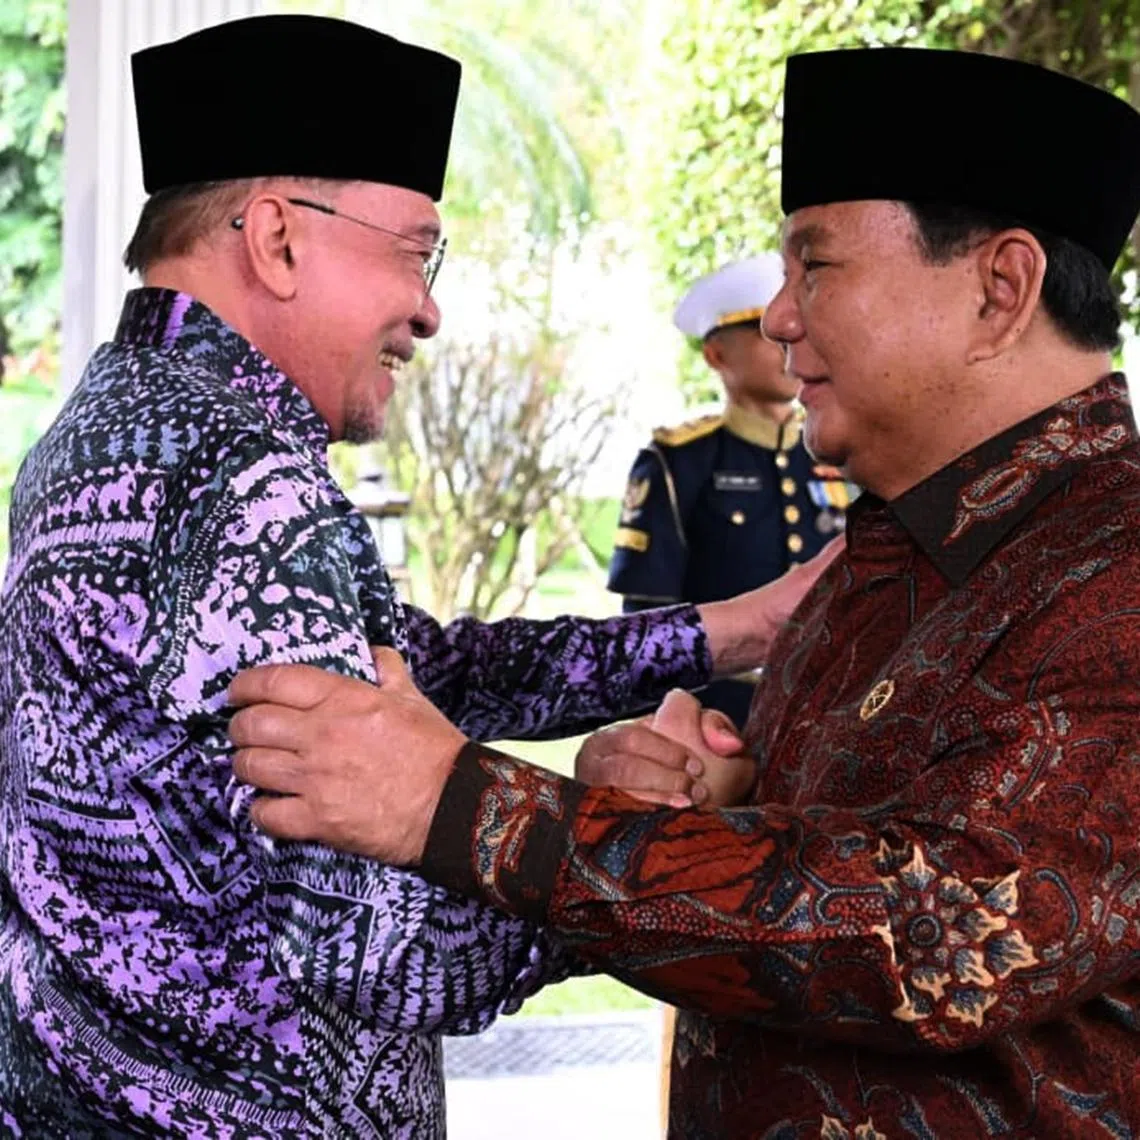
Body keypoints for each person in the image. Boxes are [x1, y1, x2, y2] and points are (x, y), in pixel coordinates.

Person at [228, 45, 1140, 1138]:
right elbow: (849, 851)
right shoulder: (877, 556)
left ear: (1001, 289)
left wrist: (460, 804)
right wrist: (705, 803)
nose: (784, 318)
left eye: (817, 268)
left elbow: (943, 934)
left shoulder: (1114, 566)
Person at [0, 15, 836, 1138]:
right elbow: (390, 952)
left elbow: (413, 660)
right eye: (414, 253)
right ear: (279, 239)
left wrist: (727, 631)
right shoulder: (245, 485)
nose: (429, 310)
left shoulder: (112, 425)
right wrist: (610, 828)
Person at [609, 254, 855, 726]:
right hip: (717, 718)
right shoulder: (677, 462)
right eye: (766, 333)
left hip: (823, 716)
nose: (788, 341)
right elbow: (646, 618)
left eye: (796, 326)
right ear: (717, 356)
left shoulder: (838, 454)